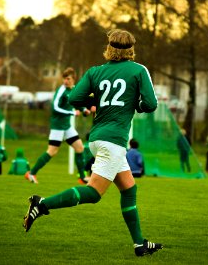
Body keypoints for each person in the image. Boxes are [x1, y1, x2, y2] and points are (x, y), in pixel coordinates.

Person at [22, 29, 163, 256]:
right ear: (131, 49)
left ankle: (140, 244)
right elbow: (151, 104)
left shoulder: (95, 72)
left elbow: (74, 98)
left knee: (129, 188)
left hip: (97, 138)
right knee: (94, 194)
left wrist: (97, 98)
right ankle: (41, 204)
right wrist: (134, 104)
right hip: (113, 141)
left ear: (109, 48)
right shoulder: (138, 70)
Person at [25, 67, 91, 185]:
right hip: (57, 126)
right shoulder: (61, 90)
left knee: (79, 148)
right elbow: (54, 108)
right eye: (64, 79)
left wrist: (84, 109)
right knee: (52, 151)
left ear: (73, 79)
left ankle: (82, 177)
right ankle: (31, 173)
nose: (65, 81)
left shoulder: (73, 90)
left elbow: (76, 102)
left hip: (66, 126)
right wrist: (72, 113)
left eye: (68, 79)